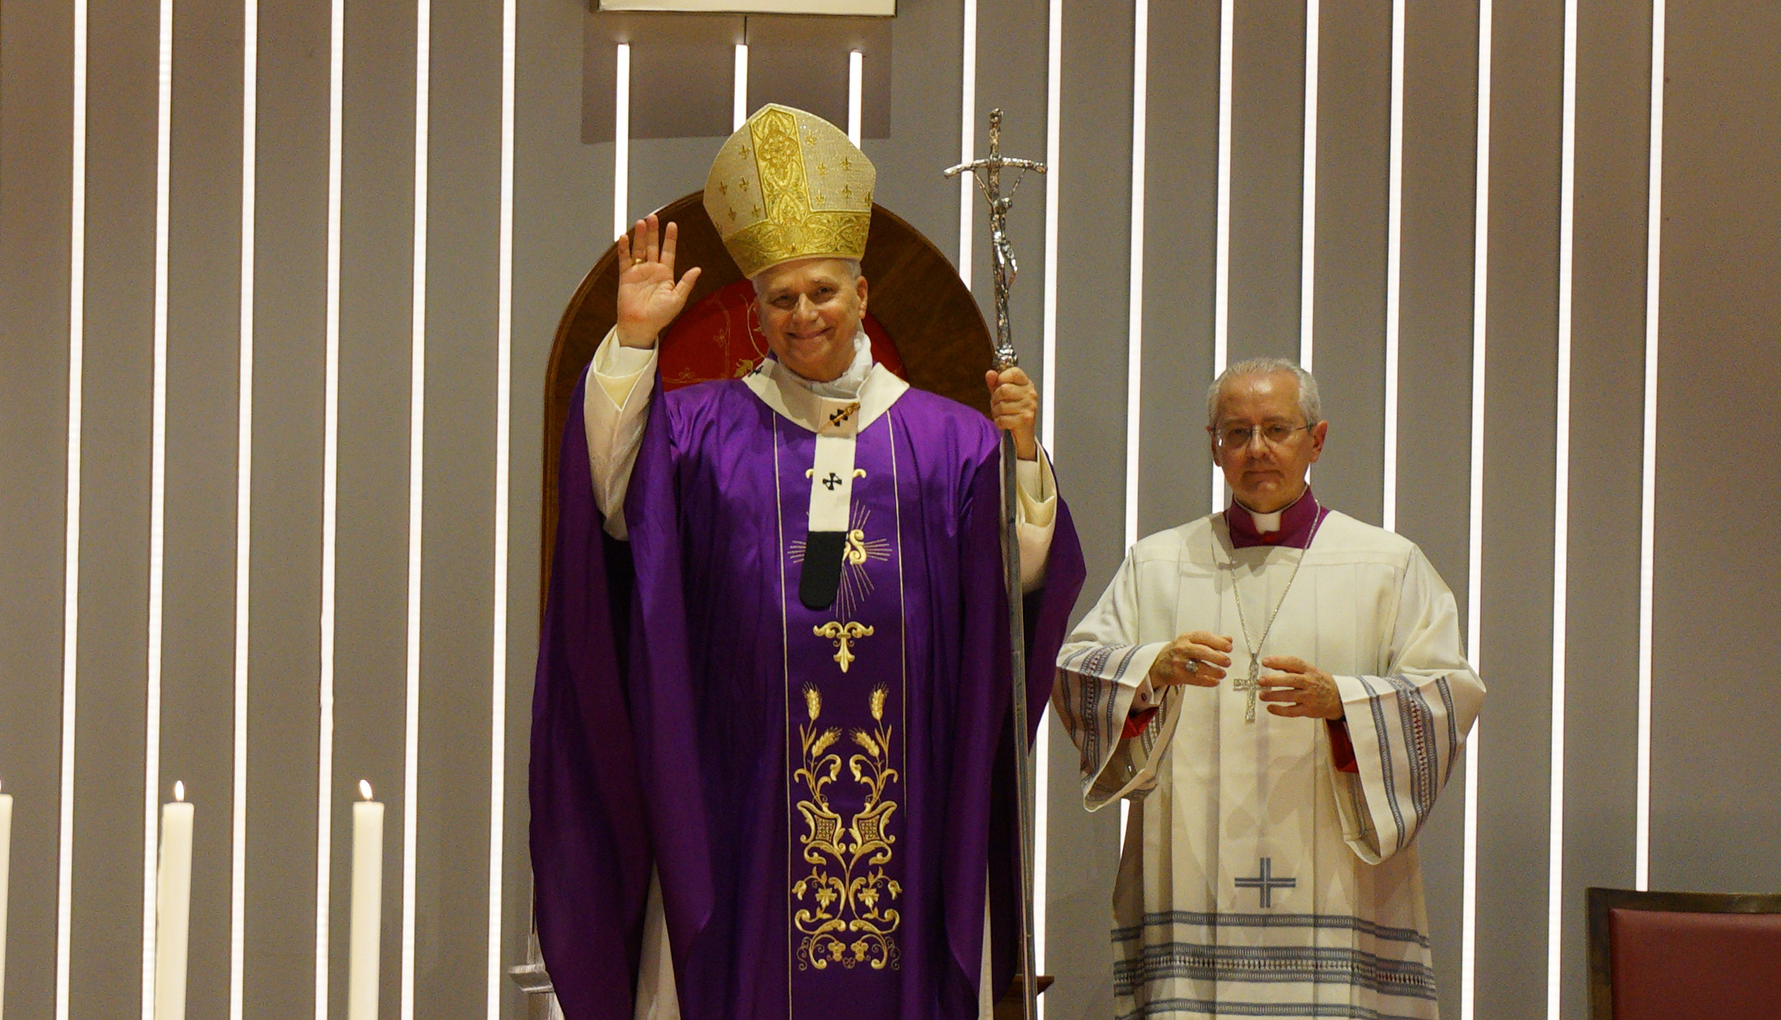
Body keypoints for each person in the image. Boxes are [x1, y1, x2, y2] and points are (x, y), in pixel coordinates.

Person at [531, 104, 1085, 1020]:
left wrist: (1024, 457)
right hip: (737, 785)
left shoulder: (952, 441)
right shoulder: (703, 429)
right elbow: (612, 501)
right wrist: (633, 342)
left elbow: (1016, 591)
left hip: (905, 793)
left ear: (864, 296)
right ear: (754, 310)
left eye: (822, 292)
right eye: (781, 299)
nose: (803, 316)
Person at [1053, 358, 1483, 1020]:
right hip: (1192, 873)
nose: (1257, 449)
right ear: (1214, 445)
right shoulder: (1159, 564)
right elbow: (1075, 670)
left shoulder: (1387, 566)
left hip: (1338, 886)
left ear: (1317, 439)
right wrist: (1150, 669)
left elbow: (1449, 693)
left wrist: (1345, 704)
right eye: (1237, 432)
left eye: (1277, 429)